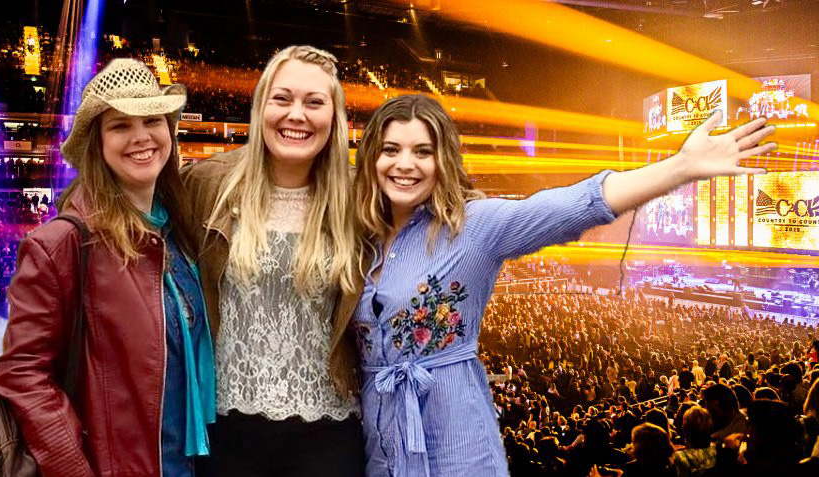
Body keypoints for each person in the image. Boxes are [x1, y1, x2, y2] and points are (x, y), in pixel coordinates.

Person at [350, 94, 775, 476]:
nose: (405, 164)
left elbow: (575, 204)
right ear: (371, 157)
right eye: (391, 149)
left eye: (422, 151)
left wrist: (679, 168)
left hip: (455, 443)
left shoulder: (473, 225)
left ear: (442, 159)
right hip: (376, 446)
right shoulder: (354, 238)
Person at [0, 59, 214, 476]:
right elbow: (23, 374)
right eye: (120, 125)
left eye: (152, 120)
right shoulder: (60, 245)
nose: (141, 137)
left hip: (189, 463)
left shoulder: (178, 231)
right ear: (97, 143)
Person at [182, 46, 363, 476]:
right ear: (261, 106)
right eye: (282, 99)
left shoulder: (359, 195)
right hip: (225, 430)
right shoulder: (207, 183)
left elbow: (446, 200)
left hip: (328, 432)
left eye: (314, 102)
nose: (296, 115)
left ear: (334, 117)